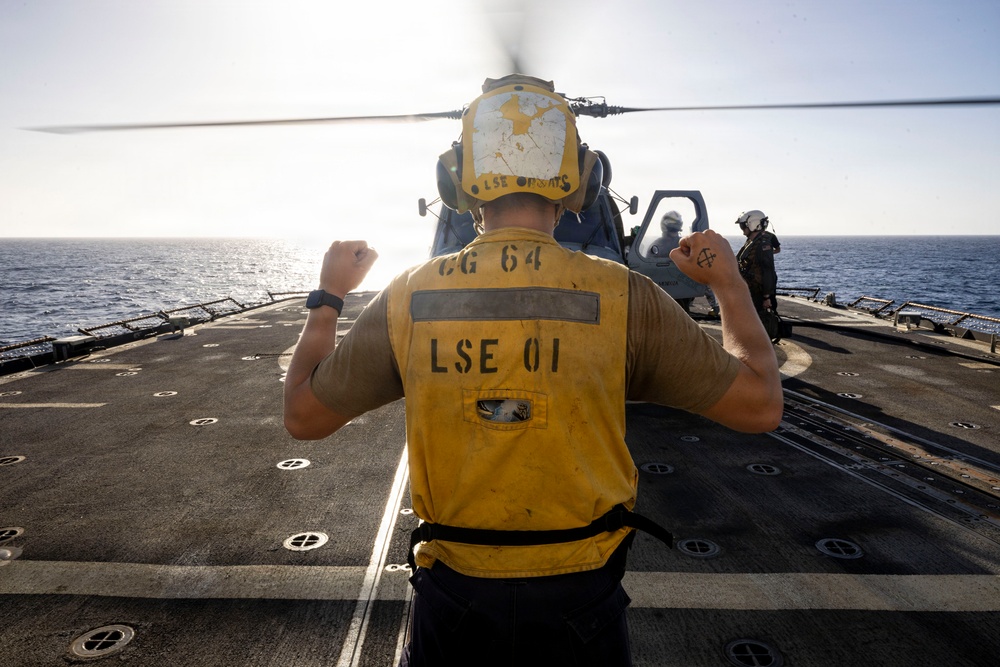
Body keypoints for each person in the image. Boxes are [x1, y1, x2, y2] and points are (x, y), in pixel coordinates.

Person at [284, 75, 782, 667]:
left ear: (453, 180)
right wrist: (727, 283)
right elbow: (759, 406)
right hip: (582, 605)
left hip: (455, 600)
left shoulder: (407, 297)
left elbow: (303, 417)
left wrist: (329, 297)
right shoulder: (627, 295)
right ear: (583, 178)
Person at [735, 209, 780, 312]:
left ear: (753, 224)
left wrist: (766, 298)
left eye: (743, 226)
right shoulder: (751, 242)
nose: (742, 230)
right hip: (751, 291)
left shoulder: (763, 245)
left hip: (759, 295)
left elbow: (767, 271)